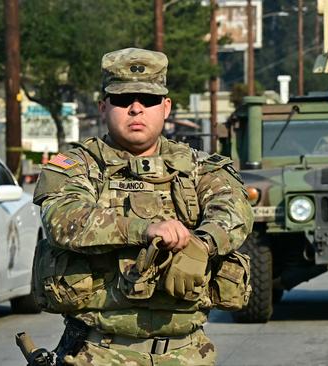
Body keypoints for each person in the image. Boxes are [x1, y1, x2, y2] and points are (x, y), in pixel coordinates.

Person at [32, 48, 253, 366]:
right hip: (98, 352)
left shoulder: (200, 167)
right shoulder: (76, 165)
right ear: (103, 107)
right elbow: (63, 221)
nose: (136, 109)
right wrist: (146, 230)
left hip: (188, 353)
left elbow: (234, 211)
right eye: (123, 100)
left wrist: (200, 245)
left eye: (147, 100)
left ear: (166, 108)